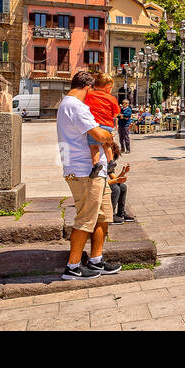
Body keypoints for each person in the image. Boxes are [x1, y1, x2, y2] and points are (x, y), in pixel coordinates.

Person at [56, 71, 122, 281]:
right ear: (87, 87)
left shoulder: (68, 105)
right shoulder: (75, 106)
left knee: (102, 217)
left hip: (94, 171)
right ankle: (73, 267)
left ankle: (96, 260)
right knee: (85, 219)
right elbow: (99, 134)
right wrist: (109, 136)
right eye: (91, 90)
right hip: (85, 171)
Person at [83, 73, 121, 168]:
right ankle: (110, 161)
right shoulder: (111, 98)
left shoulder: (89, 95)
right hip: (107, 126)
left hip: (95, 126)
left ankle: (96, 165)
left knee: (94, 146)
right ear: (108, 88)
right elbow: (116, 113)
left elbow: (85, 108)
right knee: (106, 143)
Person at [108, 158, 134, 222]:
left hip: (104, 183)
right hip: (96, 184)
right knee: (115, 188)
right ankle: (111, 214)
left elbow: (115, 179)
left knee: (122, 186)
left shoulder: (108, 163)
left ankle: (121, 212)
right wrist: (115, 181)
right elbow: (99, 182)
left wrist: (123, 172)